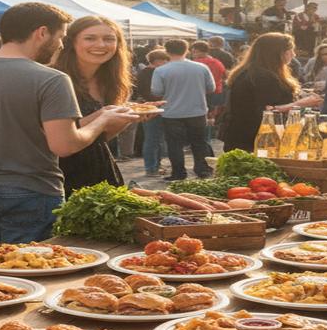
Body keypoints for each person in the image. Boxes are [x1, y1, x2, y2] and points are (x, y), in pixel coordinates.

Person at [0, 2, 134, 250]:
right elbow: (65, 145)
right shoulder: (52, 79)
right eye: (60, 37)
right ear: (42, 33)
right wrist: (102, 120)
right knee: (30, 271)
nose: (60, 45)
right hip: (30, 188)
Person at [50, 16, 141, 196]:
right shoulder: (54, 79)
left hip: (99, 171)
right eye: (90, 38)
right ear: (72, 42)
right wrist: (102, 116)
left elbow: (99, 137)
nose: (101, 45)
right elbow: (52, 140)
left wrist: (127, 119)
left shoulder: (111, 82)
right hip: (59, 176)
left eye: (109, 39)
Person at [221, 33, 322, 152]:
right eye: (290, 50)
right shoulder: (262, 76)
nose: (293, 54)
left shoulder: (253, 71)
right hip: (255, 139)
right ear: (277, 53)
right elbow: (267, 110)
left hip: (244, 136)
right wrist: (303, 103)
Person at [151, 39, 215, 181]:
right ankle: (202, 170)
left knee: (174, 144)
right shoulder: (201, 67)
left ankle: (178, 173)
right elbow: (211, 88)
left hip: (171, 112)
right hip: (197, 111)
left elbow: (156, 91)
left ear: (166, 51)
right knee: (199, 142)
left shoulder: (161, 70)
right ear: (187, 50)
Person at [136, 49, 169, 176]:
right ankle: (151, 168)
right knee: (152, 139)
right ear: (159, 61)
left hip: (151, 108)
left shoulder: (143, 72)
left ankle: (156, 166)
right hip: (152, 109)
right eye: (165, 60)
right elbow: (149, 93)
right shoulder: (151, 72)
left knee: (157, 139)